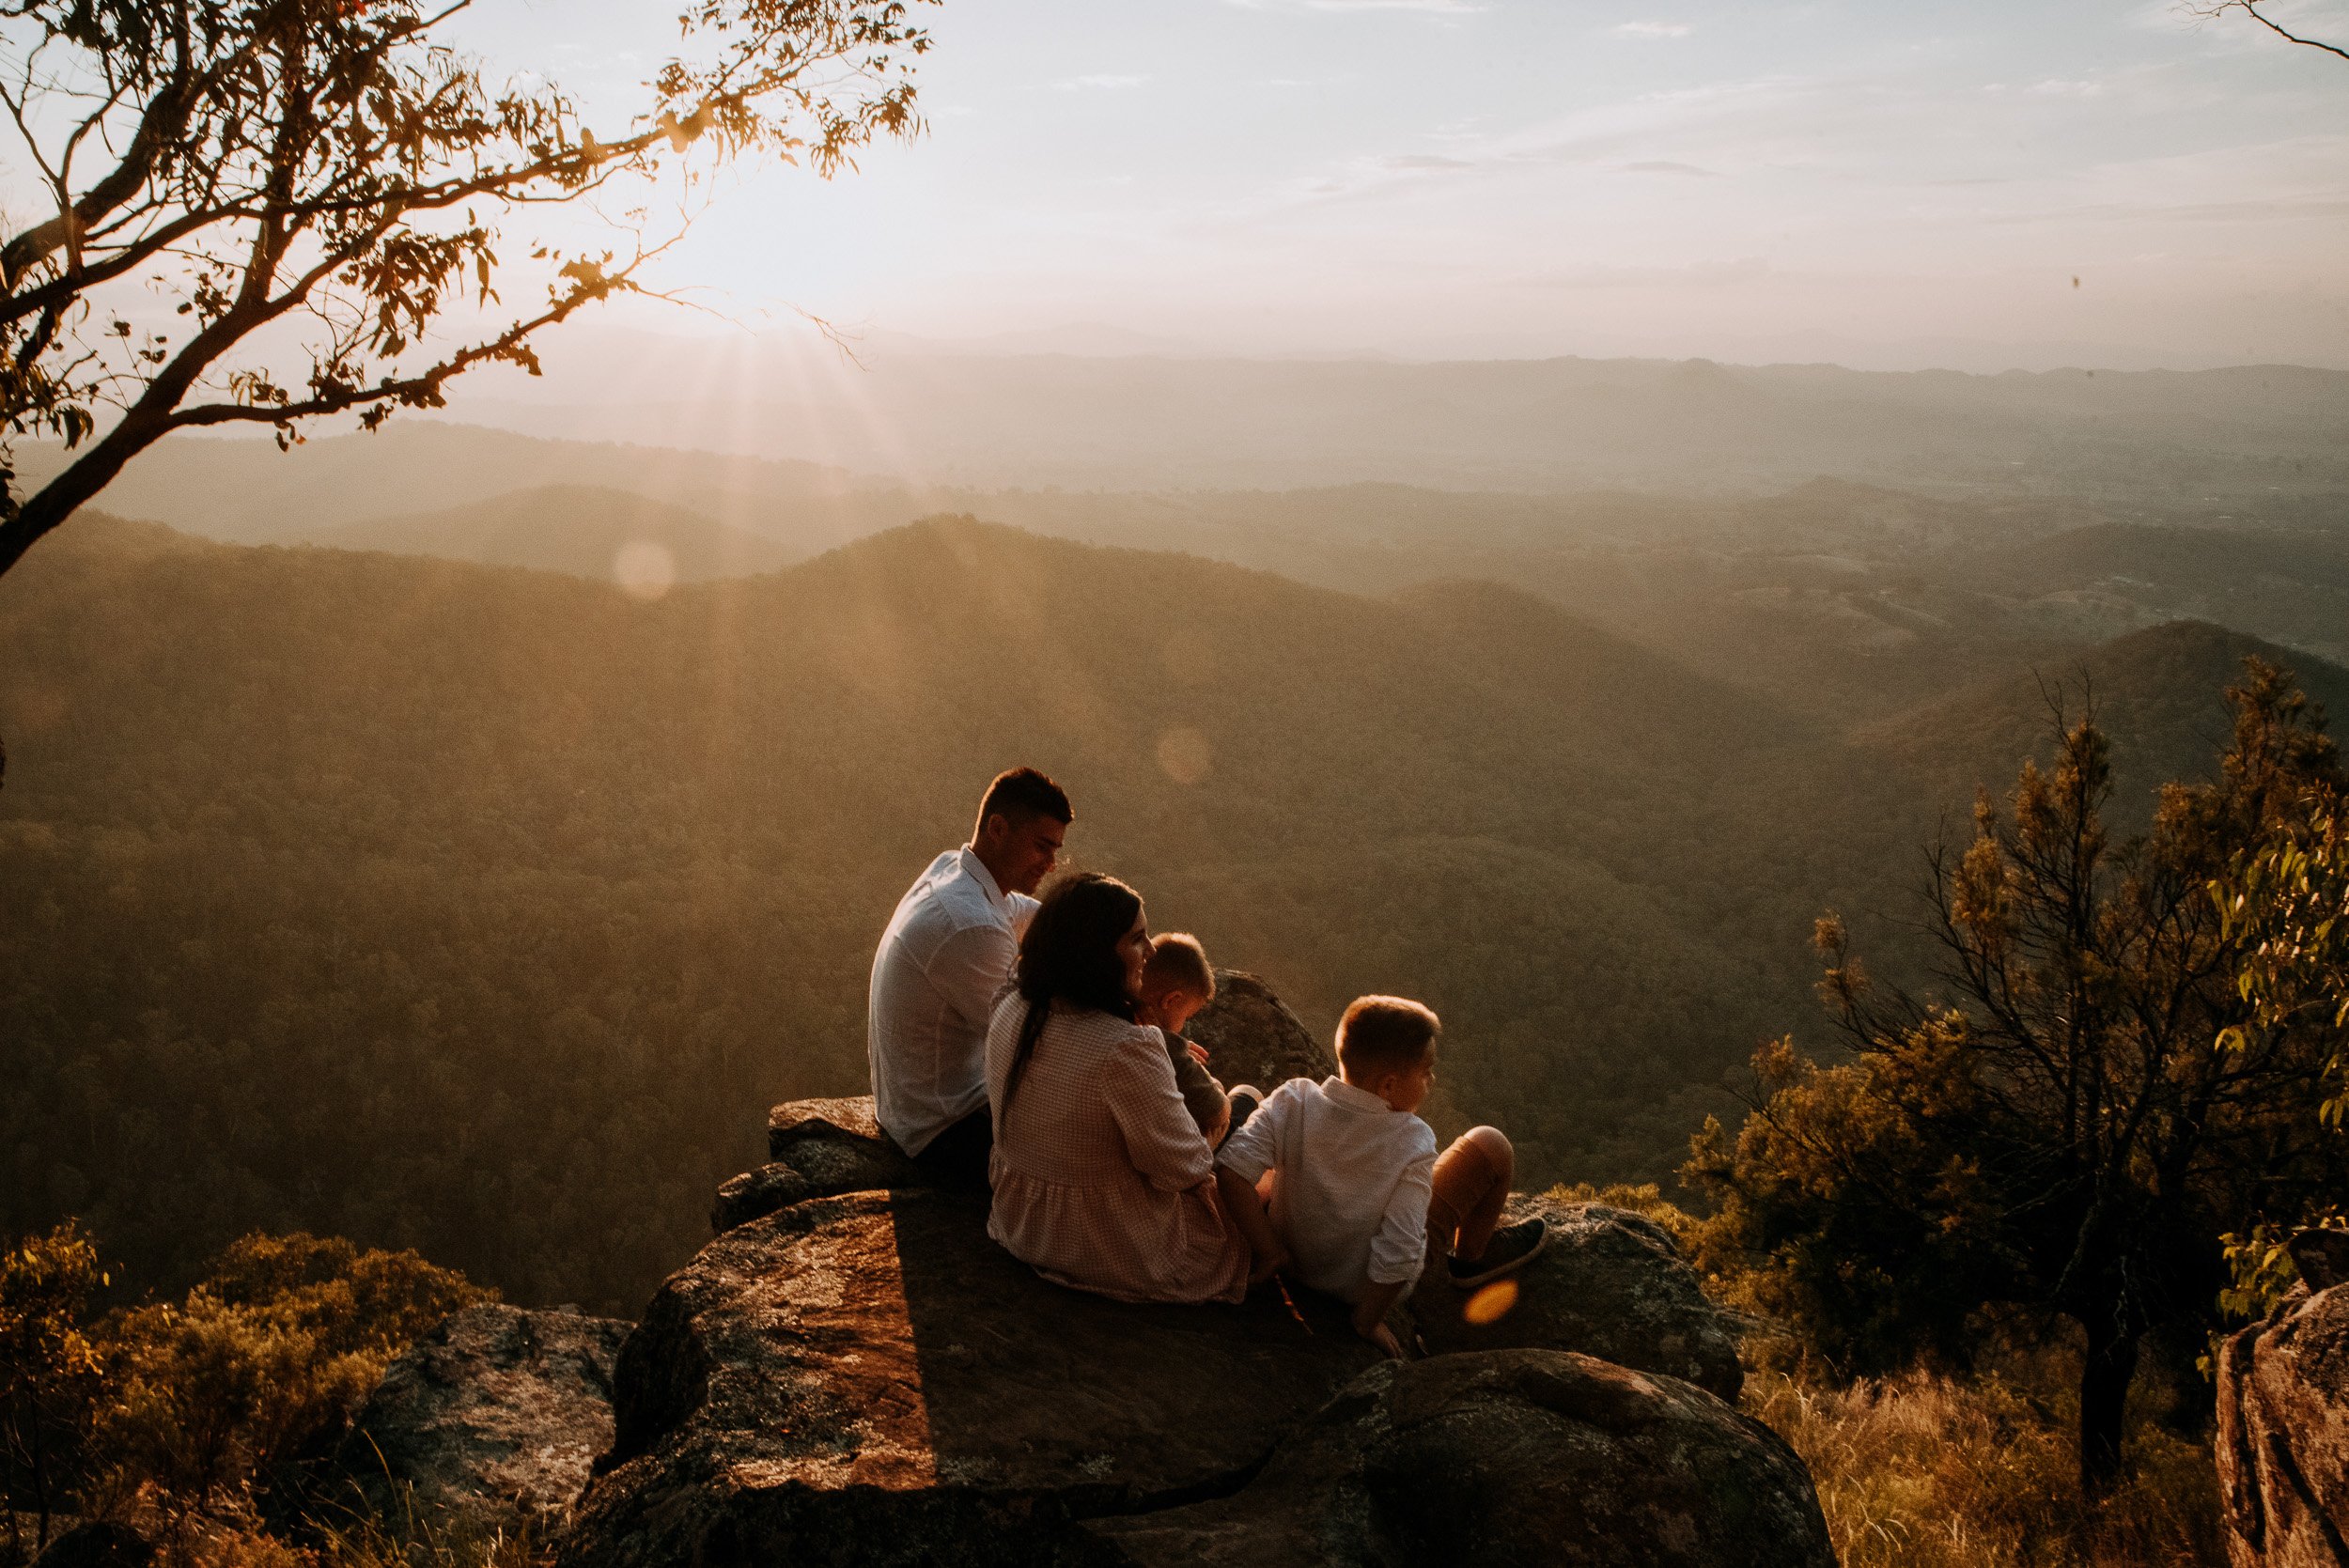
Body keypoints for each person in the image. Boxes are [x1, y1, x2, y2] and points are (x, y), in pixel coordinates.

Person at [1214, 995, 1547, 1356]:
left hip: (1297, 1263)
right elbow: (1401, 1251)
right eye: (1425, 1072)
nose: (1431, 1080)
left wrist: (1271, 1250)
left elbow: (1231, 1170)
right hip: (1361, 1289)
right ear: (1388, 1085)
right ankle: (1470, 1261)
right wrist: (1367, 1320)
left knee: (1246, 1097)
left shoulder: (1294, 1100)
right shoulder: (1413, 1142)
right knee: (1491, 1144)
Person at [986, 873, 1251, 1304]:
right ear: (1095, 953)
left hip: (1023, 1223)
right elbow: (1184, 1168)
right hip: (1108, 1247)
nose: (1150, 951)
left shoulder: (1013, 1002)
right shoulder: (1126, 1048)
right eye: (1137, 939)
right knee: (1248, 1117)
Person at [867, 767, 1071, 1187]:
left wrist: (1105, 931)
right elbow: (1034, 1042)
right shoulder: (967, 925)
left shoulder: (957, 872)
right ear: (998, 829)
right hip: (944, 1127)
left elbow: (1025, 916)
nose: (1051, 865)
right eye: (1041, 847)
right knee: (1096, 1145)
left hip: (919, 1103)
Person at [1132, 932, 1259, 1148]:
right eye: (1186, 1016)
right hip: (1183, 1154)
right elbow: (1216, 1111)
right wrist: (1218, 1091)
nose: (1183, 1026)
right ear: (1172, 1000)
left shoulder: (1123, 1021)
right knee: (1248, 1094)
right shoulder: (1166, 1049)